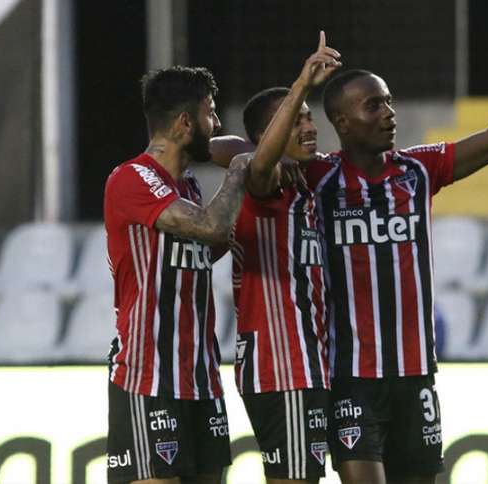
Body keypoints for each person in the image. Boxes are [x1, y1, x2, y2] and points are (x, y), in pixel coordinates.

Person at [305, 29, 488, 483]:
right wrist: (300, 88)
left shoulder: (416, 170)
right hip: (352, 379)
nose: (389, 113)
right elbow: (247, 159)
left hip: (417, 378)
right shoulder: (317, 178)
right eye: (374, 105)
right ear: (342, 123)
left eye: (389, 101)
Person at [103, 65, 248, 484]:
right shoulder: (132, 177)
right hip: (149, 378)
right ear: (186, 122)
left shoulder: (188, 189)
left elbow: (204, 251)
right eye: (211, 113)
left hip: (201, 379)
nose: (216, 124)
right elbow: (211, 228)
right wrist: (241, 167)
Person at [220, 32, 342, 483]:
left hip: (305, 365)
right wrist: (300, 85)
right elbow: (233, 154)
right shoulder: (261, 185)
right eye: (296, 121)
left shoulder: (303, 186)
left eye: (310, 119)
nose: (308, 127)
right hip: (281, 364)